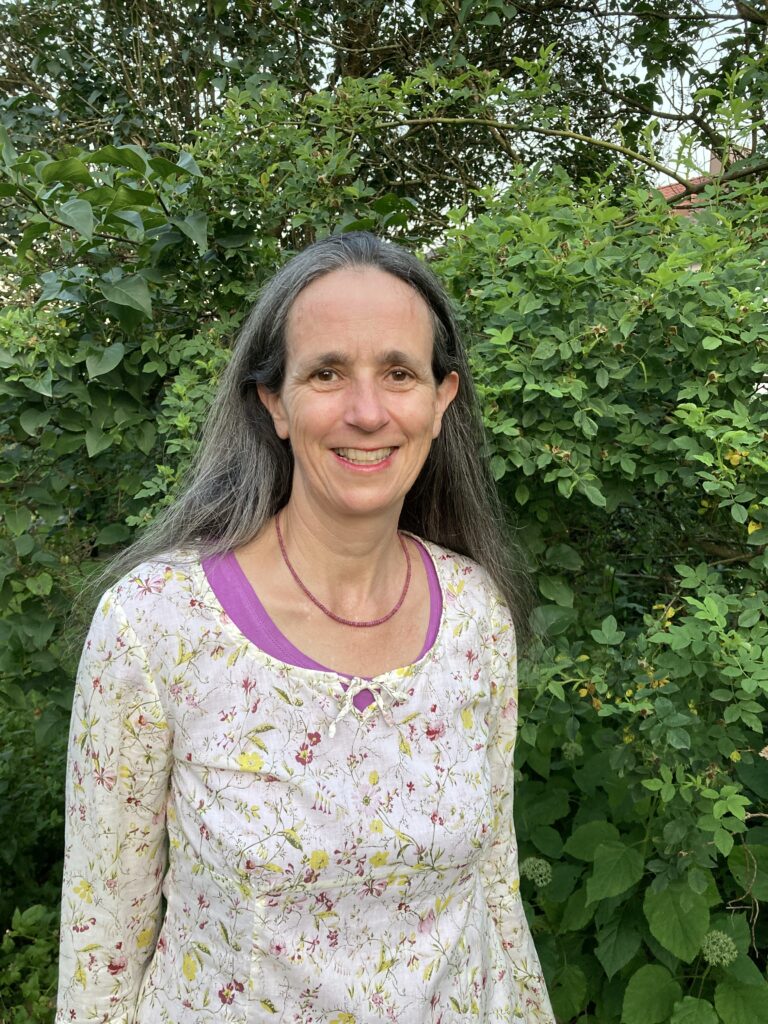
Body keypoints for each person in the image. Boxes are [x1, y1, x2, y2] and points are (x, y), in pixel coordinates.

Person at [56, 232, 554, 1023]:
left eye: (399, 373)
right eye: (327, 373)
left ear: (441, 400)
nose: (367, 411)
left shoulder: (475, 615)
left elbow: (494, 889)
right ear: (275, 403)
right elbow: (100, 948)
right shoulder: (156, 625)